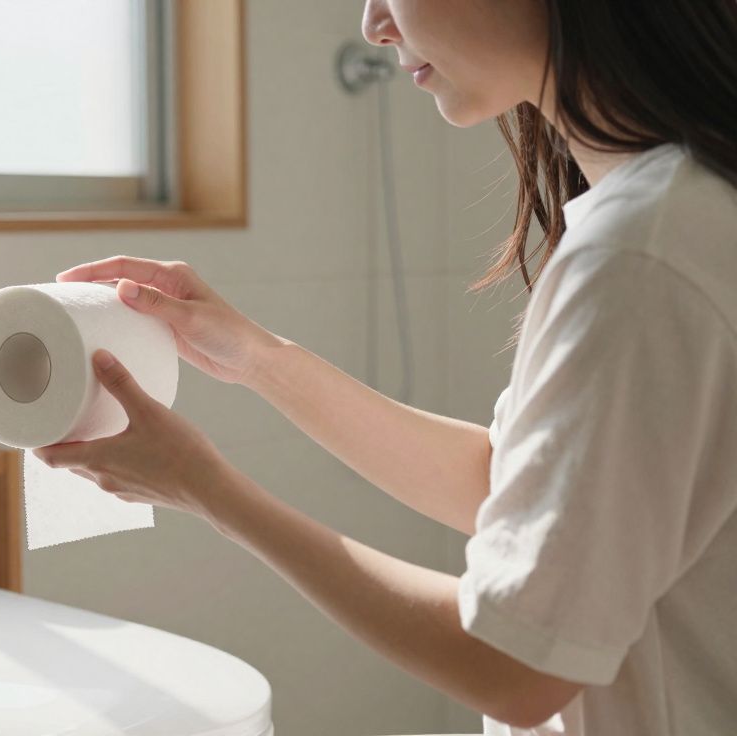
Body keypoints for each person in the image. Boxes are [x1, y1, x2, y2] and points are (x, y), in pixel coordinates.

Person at [36, 1, 737, 733]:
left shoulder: (640, 254)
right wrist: (255, 355)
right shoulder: (674, 209)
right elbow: (502, 483)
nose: (374, 24)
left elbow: (515, 667)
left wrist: (207, 489)